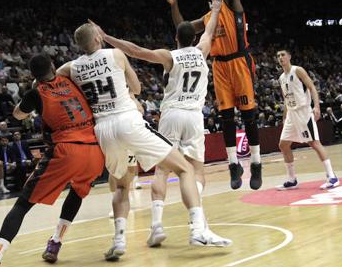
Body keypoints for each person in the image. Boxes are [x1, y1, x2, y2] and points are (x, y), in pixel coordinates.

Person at [57, 23, 231, 262]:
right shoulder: (115, 54)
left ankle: (119, 241)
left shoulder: (71, 67)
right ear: (98, 39)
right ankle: (198, 228)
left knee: (121, 186)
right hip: (130, 120)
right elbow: (137, 87)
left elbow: (46, 82)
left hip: (104, 130)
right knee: (185, 168)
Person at [90, 0, 222, 247]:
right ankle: (197, 221)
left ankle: (157, 226)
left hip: (171, 114)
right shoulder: (202, 50)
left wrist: (105, 37)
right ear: (193, 38)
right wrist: (215, 9)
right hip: (194, 116)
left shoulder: (169, 56)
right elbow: (209, 31)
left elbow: (136, 51)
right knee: (195, 170)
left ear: (175, 37)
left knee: (162, 169)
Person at [165, 0, 262, 190]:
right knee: (227, 118)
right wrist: (174, 4)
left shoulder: (234, 6)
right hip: (219, 67)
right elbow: (182, 31)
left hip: (239, 63)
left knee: (250, 115)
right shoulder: (208, 18)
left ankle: (255, 163)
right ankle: (234, 165)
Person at [0, 54, 105, 267]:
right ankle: (55, 242)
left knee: (23, 204)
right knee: (77, 192)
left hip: (67, 150)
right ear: (53, 66)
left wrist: (30, 94)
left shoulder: (35, 93)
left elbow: (17, 115)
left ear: (32, 75)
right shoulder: (71, 81)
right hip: (95, 149)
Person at [275, 50, 339, 190]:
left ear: (289, 57)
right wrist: (285, 116)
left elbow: (312, 87)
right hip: (291, 114)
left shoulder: (298, 70)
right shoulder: (281, 78)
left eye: (283, 55)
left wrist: (316, 106)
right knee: (283, 144)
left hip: (303, 112)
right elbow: (286, 99)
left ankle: (332, 176)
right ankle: (292, 180)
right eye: (278, 56)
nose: (280, 58)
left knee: (314, 143)